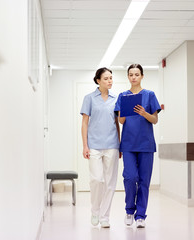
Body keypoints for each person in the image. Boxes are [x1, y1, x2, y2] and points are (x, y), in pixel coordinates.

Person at [114, 63, 161, 228]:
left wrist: (144, 113)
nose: (134, 77)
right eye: (131, 74)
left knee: (143, 181)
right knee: (130, 177)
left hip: (146, 144)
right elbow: (120, 121)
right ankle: (129, 210)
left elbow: (155, 120)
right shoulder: (123, 96)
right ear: (128, 77)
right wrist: (125, 112)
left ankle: (140, 215)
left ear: (142, 76)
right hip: (128, 144)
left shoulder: (150, 95)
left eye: (137, 74)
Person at [80, 67, 120, 228]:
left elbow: (117, 123)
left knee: (110, 182)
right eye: (106, 78)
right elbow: (84, 123)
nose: (109, 81)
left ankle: (105, 217)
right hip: (94, 145)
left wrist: (120, 144)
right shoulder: (89, 98)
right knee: (97, 180)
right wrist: (85, 145)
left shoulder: (116, 99)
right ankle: (95, 211)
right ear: (98, 81)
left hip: (112, 144)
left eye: (111, 78)